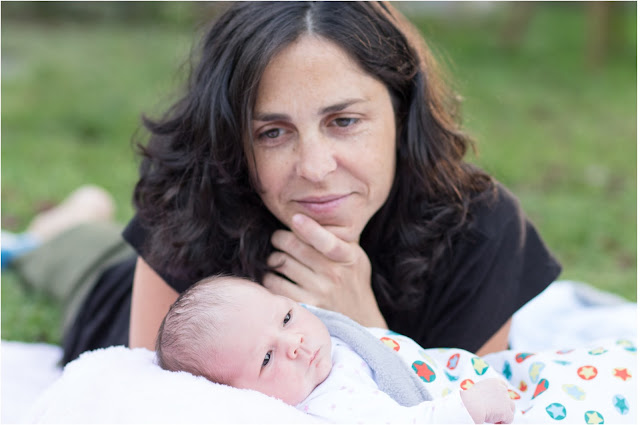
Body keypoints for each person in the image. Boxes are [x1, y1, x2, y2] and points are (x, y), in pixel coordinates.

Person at [12, 1, 561, 365]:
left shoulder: (482, 229)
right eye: (273, 132)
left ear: (403, 111)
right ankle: (66, 224)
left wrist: (364, 328)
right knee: (73, 257)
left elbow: (464, 408)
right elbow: (154, 400)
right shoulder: (195, 193)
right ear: (233, 140)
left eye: (343, 121)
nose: (316, 167)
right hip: (108, 295)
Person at [157, 274, 637, 424]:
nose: (297, 344)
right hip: (471, 400)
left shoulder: (317, 337)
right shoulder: (327, 403)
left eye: (285, 317)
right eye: (266, 359)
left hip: (476, 371)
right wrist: (465, 410)